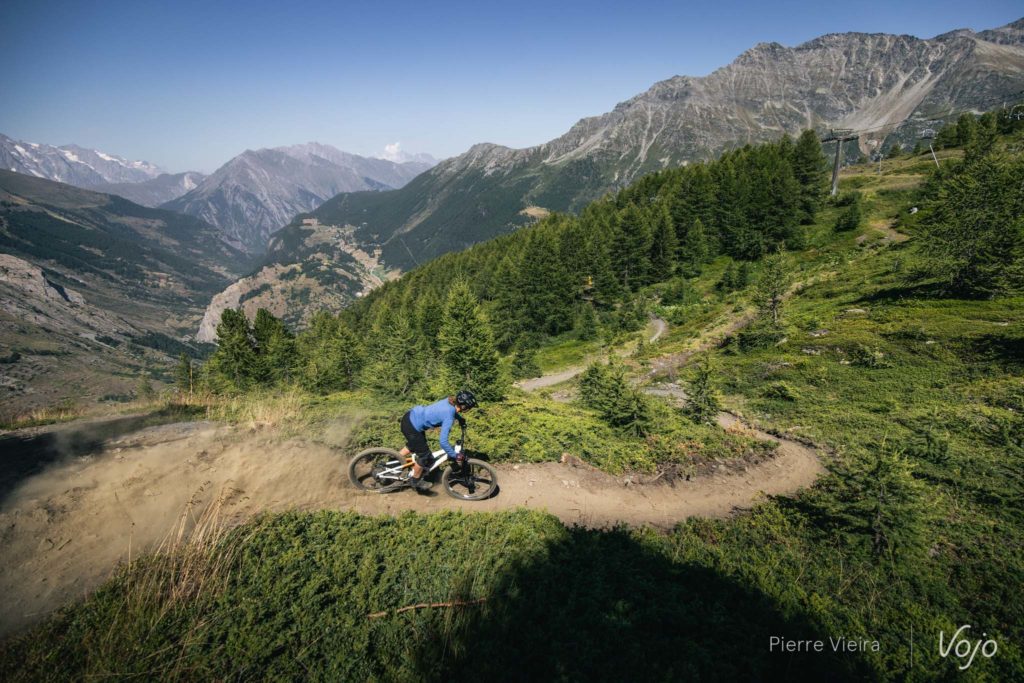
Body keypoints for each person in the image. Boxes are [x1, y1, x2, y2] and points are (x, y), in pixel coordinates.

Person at [398, 390, 478, 491]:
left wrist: (460, 419)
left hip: (410, 417)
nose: (469, 409)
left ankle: (395, 460)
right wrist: (455, 455)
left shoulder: (449, 401)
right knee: (425, 455)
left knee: (414, 445)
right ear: (463, 406)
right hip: (412, 426)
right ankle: (415, 481)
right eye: (469, 407)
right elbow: (443, 442)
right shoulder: (449, 416)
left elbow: (452, 411)